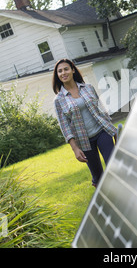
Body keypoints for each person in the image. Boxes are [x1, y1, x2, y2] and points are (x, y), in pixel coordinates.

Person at [52, 58, 117, 187]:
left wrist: (113, 131)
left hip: (101, 132)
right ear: (57, 75)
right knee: (98, 177)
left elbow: (101, 110)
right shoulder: (58, 100)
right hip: (84, 141)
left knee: (113, 164)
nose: (63, 73)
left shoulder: (88, 88)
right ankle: (103, 200)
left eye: (66, 69)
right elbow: (65, 127)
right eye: (59, 71)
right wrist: (75, 148)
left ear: (73, 70)